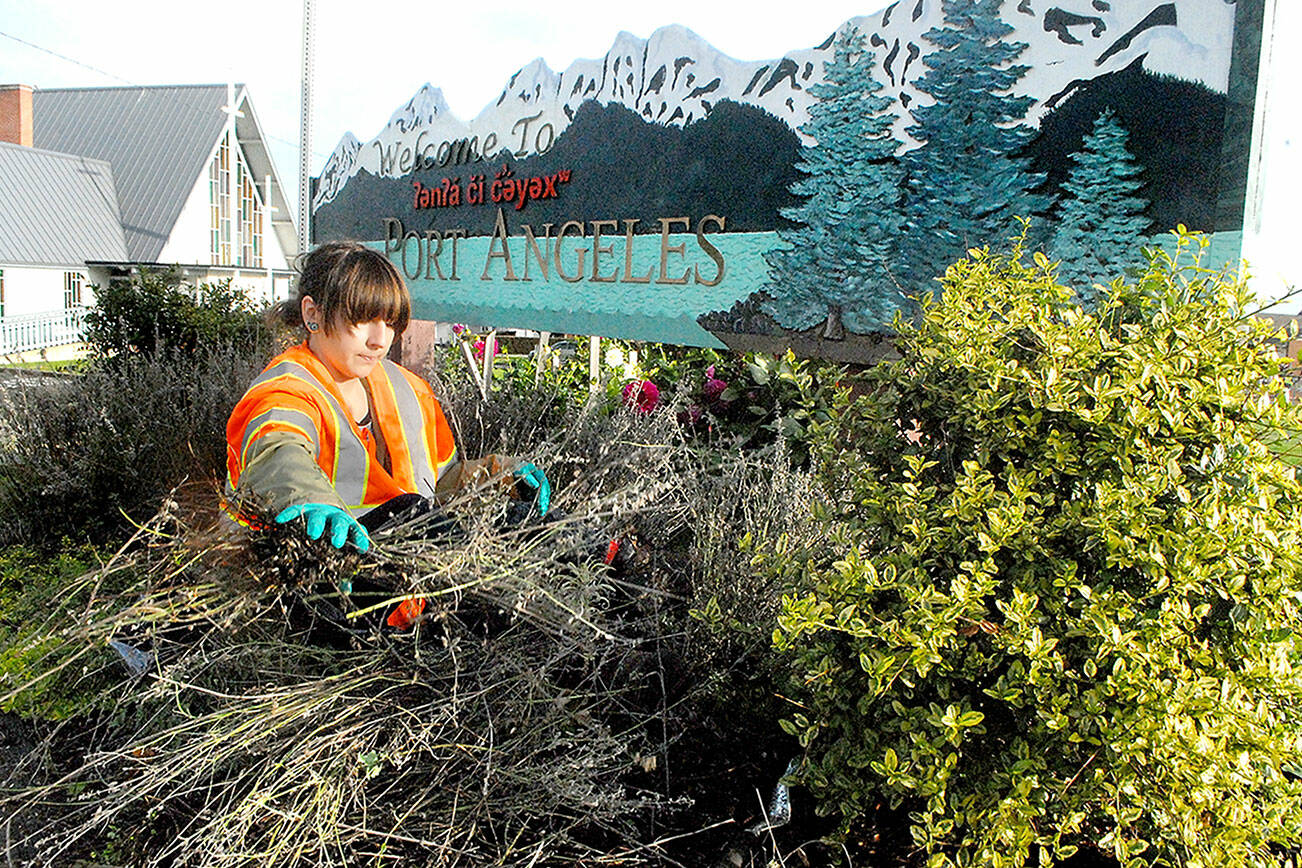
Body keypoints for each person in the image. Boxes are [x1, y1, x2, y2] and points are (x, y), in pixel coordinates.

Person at [225, 240, 549, 554]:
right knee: (411, 510)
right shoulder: (284, 390)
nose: (380, 340)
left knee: (533, 524)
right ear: (313, 314)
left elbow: (440, 479)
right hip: (328, 567)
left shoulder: (408, 388)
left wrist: (499, 475)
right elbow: (278, 451)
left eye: (390, 322)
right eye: (363, 318)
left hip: (414, 559)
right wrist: (308, 501)